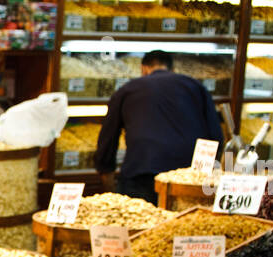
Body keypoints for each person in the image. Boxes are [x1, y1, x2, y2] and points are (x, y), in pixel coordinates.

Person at [95, 50, 223, 203]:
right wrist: (205, 174)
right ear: (172, 69)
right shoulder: (195, 86)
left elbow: (108, 138)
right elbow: (216, 135)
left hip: (142, 173)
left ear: (143, 69)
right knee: (182, 223)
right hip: (186, 177)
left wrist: (106, 176)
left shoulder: (127, 90)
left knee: (142, 222)